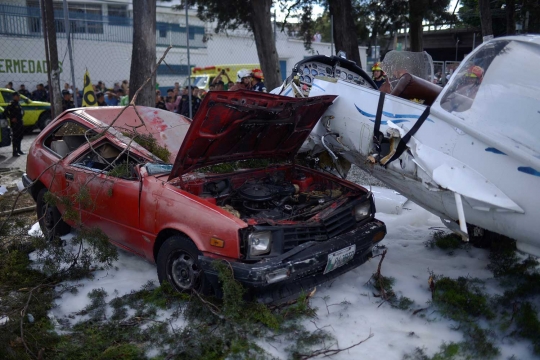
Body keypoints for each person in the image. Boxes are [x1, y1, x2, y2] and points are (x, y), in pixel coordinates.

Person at [4, 92, 24, 156]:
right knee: (15, 137)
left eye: (19, 96)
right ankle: (14, 152)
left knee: (20, 137)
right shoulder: (11, 104)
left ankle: (19, 150)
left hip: (20, 122)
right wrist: (11, 118)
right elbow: (5, 112)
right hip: (15, 123)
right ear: (14, 97)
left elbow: (21, 112)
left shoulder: (18, 104)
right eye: (17, 96)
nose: (18, 97)